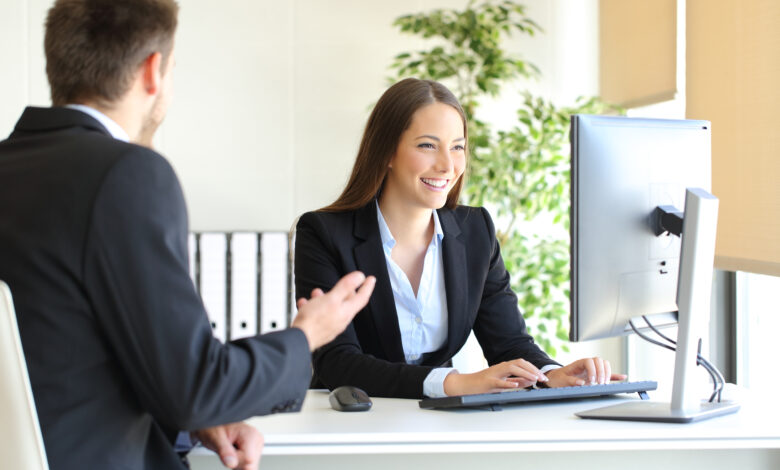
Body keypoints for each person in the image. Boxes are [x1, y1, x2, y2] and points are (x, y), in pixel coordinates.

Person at [0, 1, 375, 469]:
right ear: (153, 71)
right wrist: (306, 335)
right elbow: (196, 387)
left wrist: (193, 418)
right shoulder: (127, 174)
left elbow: (63, 353)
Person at [294, 78, 625, 399]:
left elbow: (508, 343)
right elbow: (337, 362)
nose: (447, 165)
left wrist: (552, 375)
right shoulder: (324, 233)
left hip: (437, 424)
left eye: (457, 148)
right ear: (387, 152)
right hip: (348, 422)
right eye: (427, 145)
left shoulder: (475, 230)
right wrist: (454, 383)